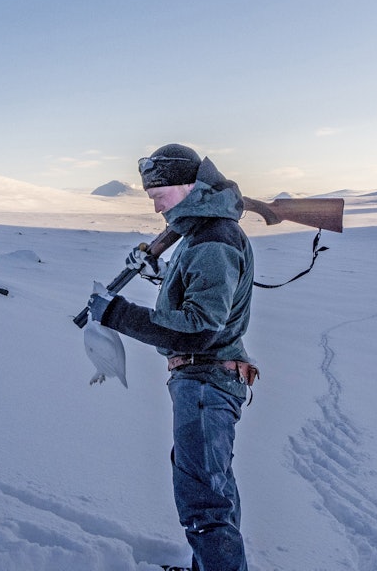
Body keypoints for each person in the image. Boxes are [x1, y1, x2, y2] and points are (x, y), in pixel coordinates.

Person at [87, 143, 257, 571]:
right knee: (212, 488)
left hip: (206, 381)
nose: (156, 204)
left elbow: (200, 328)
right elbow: (197, 297)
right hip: (206, 381)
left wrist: (117, 313)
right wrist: (160, 275)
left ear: (187, 187)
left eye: (159, 194)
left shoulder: (212, 239)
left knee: (204, 500)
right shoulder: (201, 233)